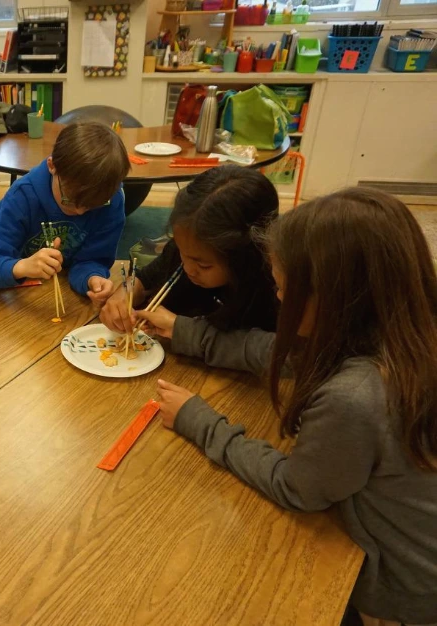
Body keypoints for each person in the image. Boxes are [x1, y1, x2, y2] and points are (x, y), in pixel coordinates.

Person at [143, 187, 437, 626]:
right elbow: (284, 355)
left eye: (284, 288)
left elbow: (298, 489)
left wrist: (198, 420)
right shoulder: (403, 327)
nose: (278, 297)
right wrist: (187, 333)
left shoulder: (355, 396)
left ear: (336, 296)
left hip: (400, 588)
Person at [101, 164, 279, 334]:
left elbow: (257, 346)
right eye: (182, 252)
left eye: (203, 266)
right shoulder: (188, 248)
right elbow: (145, 279)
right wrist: (124, 294)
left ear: (244, 257)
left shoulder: (272, 292)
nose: (188, 269)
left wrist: (182, 330)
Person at [0, 122, 130, 304]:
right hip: (22, 296)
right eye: (69, 200)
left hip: (67, 296)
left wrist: (92, 278)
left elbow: (93, 260)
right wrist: (22, 266)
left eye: (91, 206)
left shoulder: (111, 201)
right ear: (52, 165)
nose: (79, 211)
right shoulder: (22, 196)